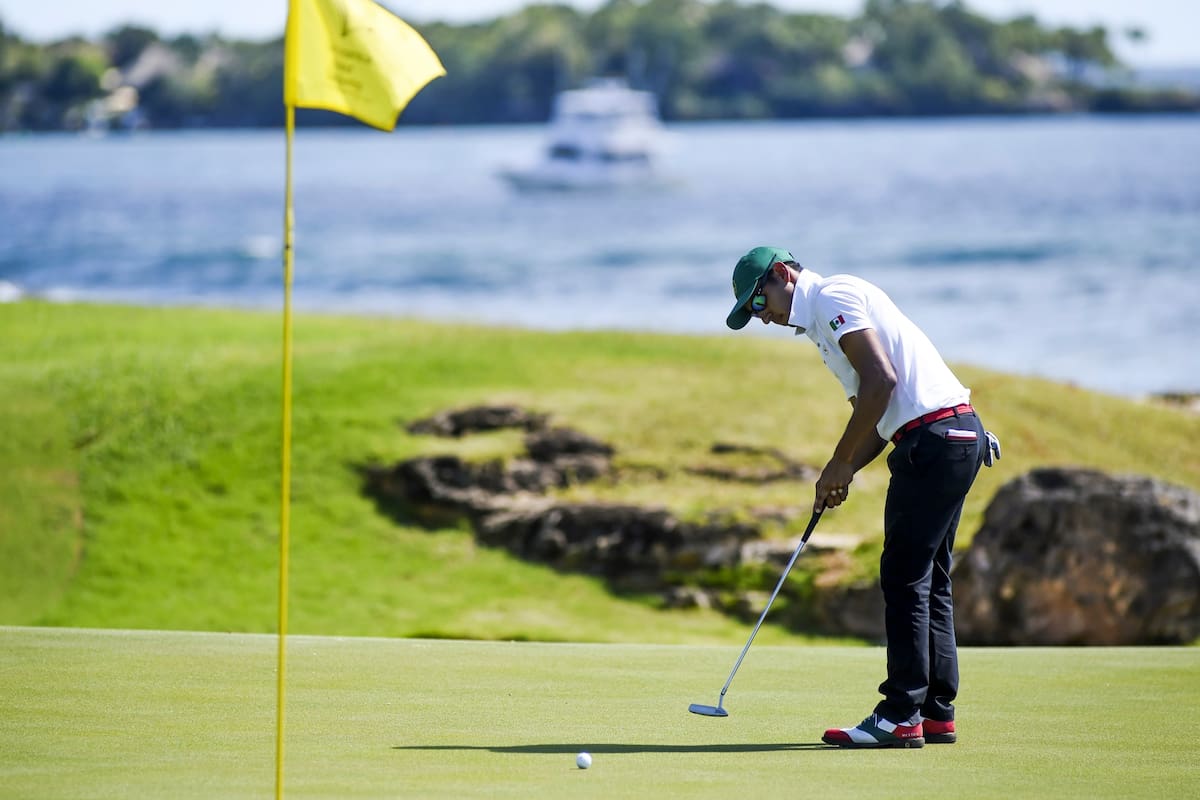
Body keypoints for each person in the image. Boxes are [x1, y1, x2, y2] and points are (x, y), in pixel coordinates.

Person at [726, 246, 999, 749]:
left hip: (936, 438)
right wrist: (844, 470)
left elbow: (881, 382)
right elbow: (874, 412)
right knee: (927, 575)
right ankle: (936, 712)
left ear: (782, 275)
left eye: (759, 303)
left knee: (904, 575)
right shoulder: (823, 328)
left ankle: (900, 714)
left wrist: (836, 462)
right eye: (753, 314)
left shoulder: (833, 296)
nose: (763, 319)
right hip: (952, 437)